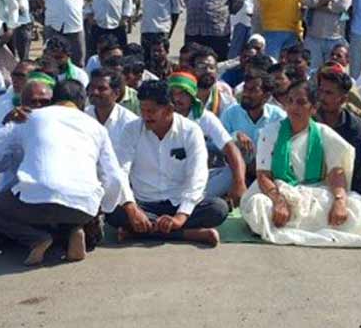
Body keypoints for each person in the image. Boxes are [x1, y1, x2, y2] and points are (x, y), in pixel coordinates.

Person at [0, 80, 128, 266]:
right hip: (82, 208)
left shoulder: (28, 118)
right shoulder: (96, 127)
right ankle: (75, 230)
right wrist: (101, 210)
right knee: (64, 206)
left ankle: (36, 239)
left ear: (54, 99)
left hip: (34, 202)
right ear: (82, 103)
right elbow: (114, 177)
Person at [240, 78, 361, 247]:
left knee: (356, 208)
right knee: (259, 205)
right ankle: (302, 224)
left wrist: (340, 201)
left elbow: (336, 172)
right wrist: (279, 201)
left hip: (313, 192)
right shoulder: (270, 132)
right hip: (277, 191)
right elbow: (263, 175)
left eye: (301, 102)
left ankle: (295, 225)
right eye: (290, 101)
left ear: (314, 108)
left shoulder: (324, 133)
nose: (294, 107)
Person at [107, 80, 228, 247]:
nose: (145, 116)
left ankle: (141, 232)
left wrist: (180, 216)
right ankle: (189, 234)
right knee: (112, 210)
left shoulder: (191, 131)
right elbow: (120, 171)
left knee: (218, 209)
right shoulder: (131, 129)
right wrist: (132, 209)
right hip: (144, 204)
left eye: (151, 111)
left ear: (169, 110)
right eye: (142, 110)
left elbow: (197, 176)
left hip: (179, 202)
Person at [166, 73, 246, 204]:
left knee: (231, 173)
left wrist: (239, 184)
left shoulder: (204, 117)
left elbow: (230, 147)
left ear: (192, 96)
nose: (176, 98)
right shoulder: (160, 116)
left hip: (197, 180)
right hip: (164, 180)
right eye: (173, 93)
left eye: (182, 94)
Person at [313, 67, 361, 198]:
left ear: (343, 99)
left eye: (328, 93)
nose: (322, 97)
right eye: (320, 91)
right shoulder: (310, 119)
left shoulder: (354, 127)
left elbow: (354, 167)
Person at [220, 68, 286, 167]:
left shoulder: (278, 117)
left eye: (252, 90)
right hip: (233, 170)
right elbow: (216, 144)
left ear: (266, 96)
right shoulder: (230, 113)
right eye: (245, 89)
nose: (246, 94)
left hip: (267, 171)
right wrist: (234, 137)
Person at [86, 68, 140, 148]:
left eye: (101, 89)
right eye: (92, 87)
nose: (95, 92)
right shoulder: (82, 116)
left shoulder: (129, 122)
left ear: (116, 93)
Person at [0, 60, 36, 125]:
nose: (14, 79)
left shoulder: (46, 103)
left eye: (20, 76)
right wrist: (5, 122)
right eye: (13, 75)